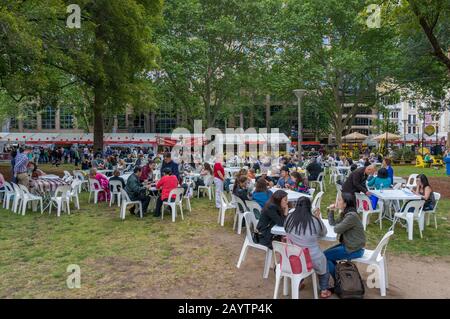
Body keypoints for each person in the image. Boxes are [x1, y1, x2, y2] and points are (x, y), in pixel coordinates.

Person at [285, 197, 332, 298]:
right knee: (323, 264)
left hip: (295, 256)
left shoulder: (289, 217)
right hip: (313, 257)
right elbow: (323, 233)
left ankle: (299, 282)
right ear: (309, 207)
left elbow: (286, 229)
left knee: (301, 265)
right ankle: (324, 289)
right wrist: (318, 217)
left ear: (296, 206)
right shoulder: (314, 220)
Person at [324, 193, 366, 282]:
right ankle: (342, 277)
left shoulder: (351, 216)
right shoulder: (345, 213)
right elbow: (333, 223)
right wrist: (331, 210)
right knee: (325, 255)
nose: (337, 202)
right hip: (348, 245)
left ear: (345, 204)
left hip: (354, 249)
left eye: (339, 200)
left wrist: (340, 224)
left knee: (324, 257)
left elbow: (337, 229)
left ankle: (340, 280)